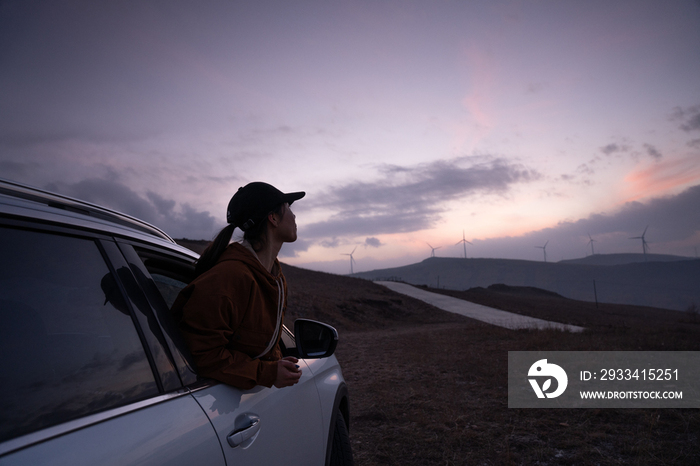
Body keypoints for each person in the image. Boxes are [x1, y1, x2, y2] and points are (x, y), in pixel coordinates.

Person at [172, 182, 305, 390]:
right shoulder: (228, 279)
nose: (294, 216)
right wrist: (267, 373)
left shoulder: (275, 278)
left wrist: (276, 365)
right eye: (288, 208)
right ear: (273, 218)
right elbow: (202, 354)